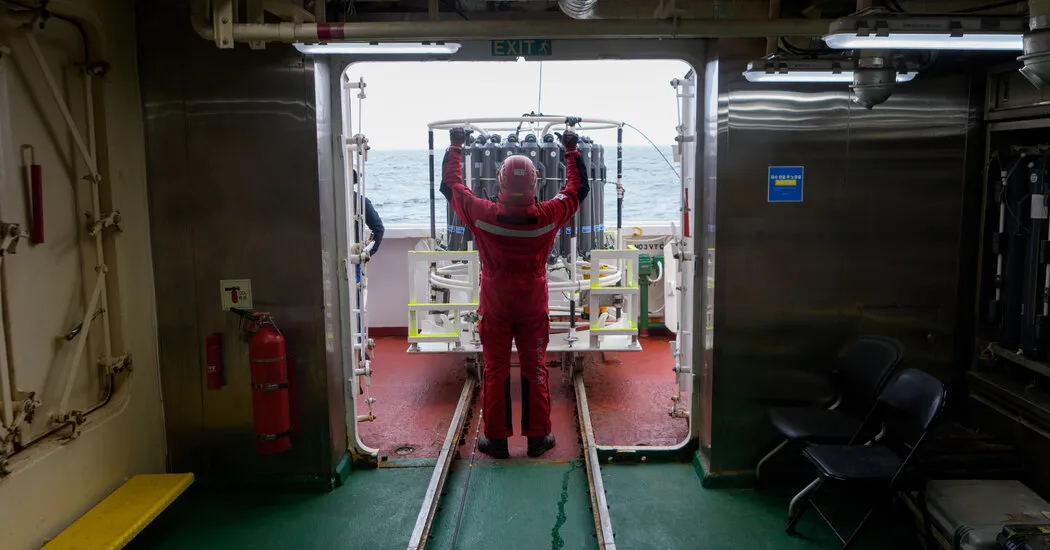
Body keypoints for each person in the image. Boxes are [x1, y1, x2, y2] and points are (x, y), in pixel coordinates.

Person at [440, 124, 588, 458]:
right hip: (532, 306)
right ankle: (538, 439)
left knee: (495, 370)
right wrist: (571, 149)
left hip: (496, 305)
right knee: (535, 368)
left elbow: (450, 186)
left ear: (499, 183)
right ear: (535, 183)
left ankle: (497, 440)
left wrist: (455, 146)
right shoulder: (548, 215)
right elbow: (579, 190)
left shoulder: (482, 214)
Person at [353, 169, 385, 256]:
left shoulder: (324, 201)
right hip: (354, 255)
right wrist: (368, 253)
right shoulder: (360, 201)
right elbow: (378, 228)